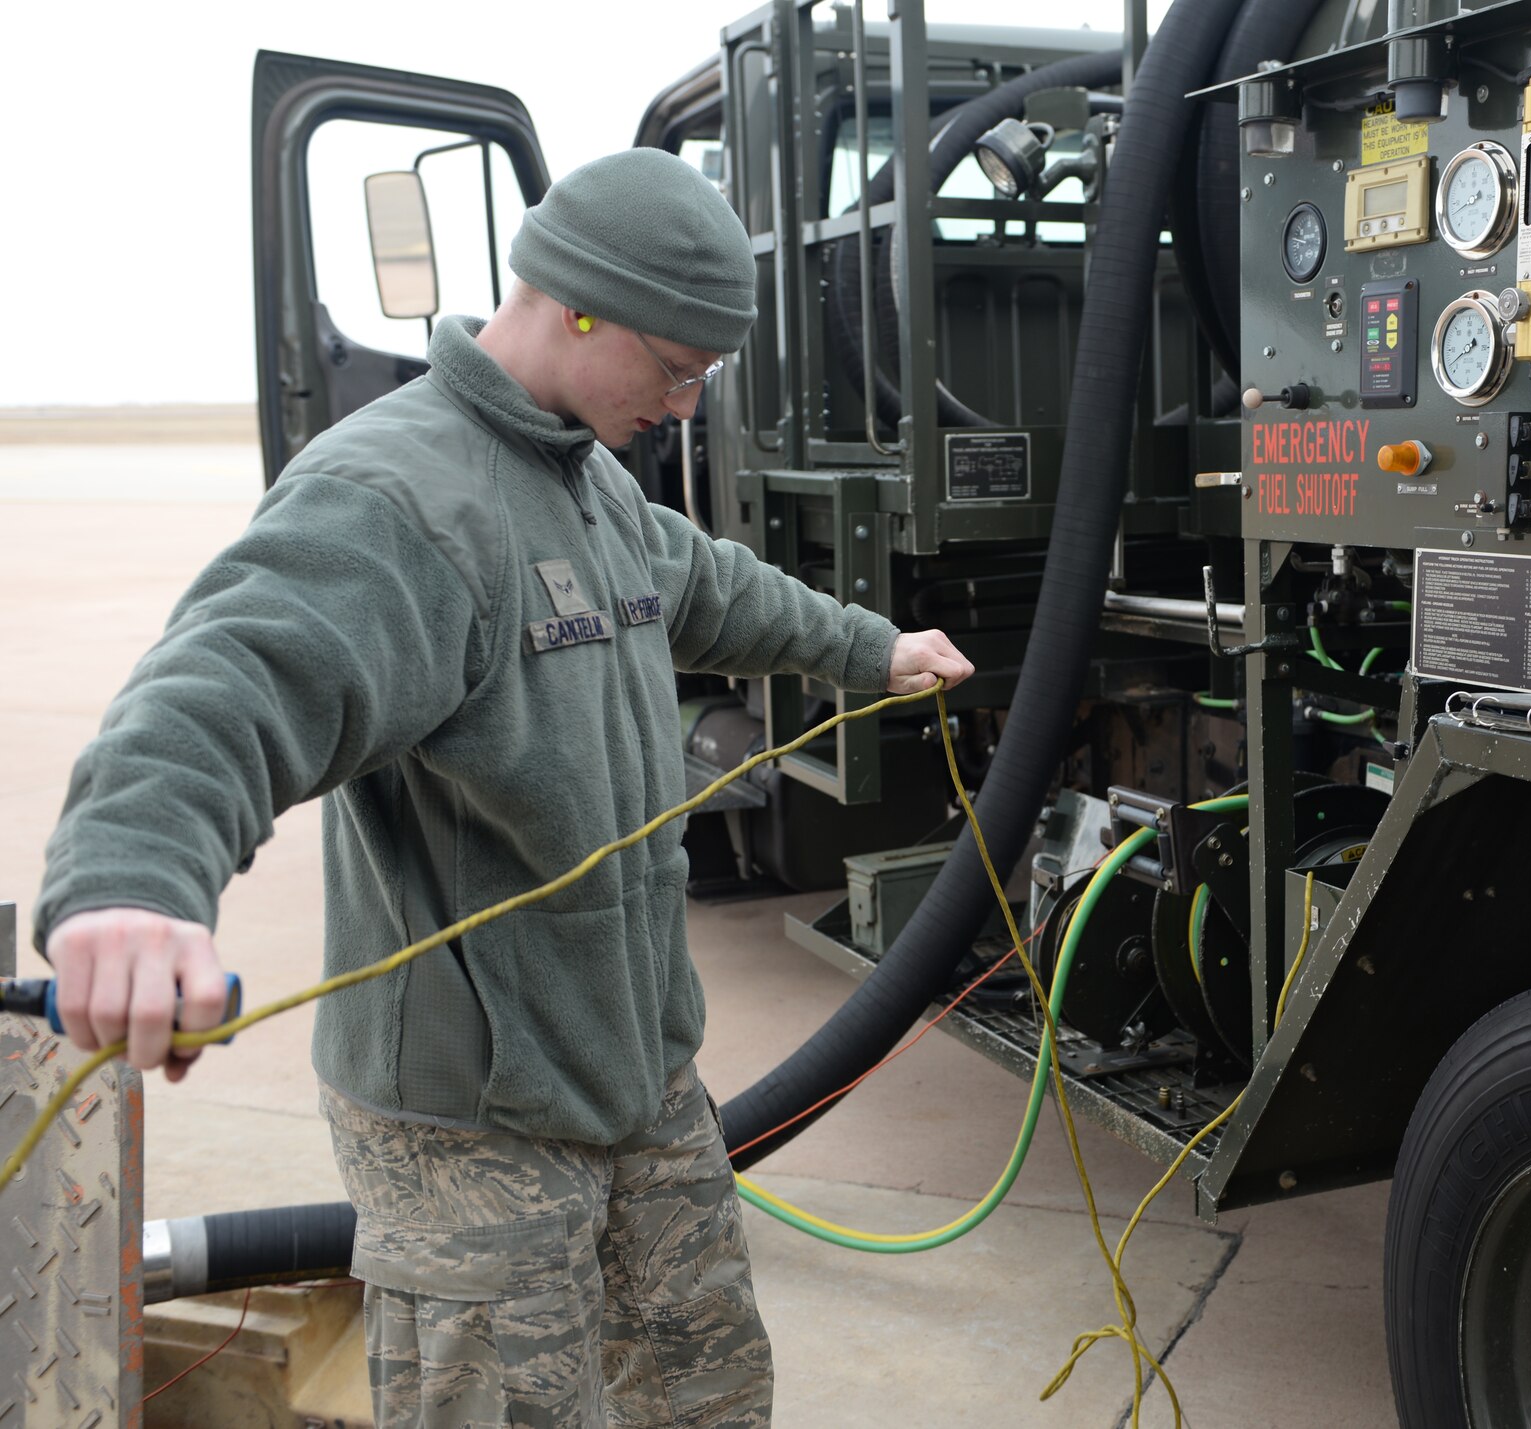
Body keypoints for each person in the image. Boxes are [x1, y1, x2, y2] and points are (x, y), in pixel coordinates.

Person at [35, 146, 973, 1426]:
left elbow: (713, 590)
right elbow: (229, 681)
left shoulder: (584, 478)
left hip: (632, 1072)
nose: (689, 408)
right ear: (577, 303)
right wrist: (134, 882)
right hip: (474, 1121)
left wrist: (873, 647)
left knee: (703, 1388)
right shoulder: (397, 498)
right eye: (677, 368)